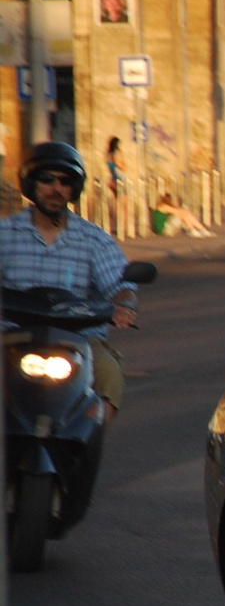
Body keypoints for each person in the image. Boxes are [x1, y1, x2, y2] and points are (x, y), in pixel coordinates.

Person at [0, 142, 139, 415]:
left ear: (74, 189)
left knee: (109, 375)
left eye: (65, 182)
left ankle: (85, 451)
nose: (56, 188)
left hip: (79, 342)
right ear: (30, 183)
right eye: (47, 179)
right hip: (13, 337)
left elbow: (123, 284)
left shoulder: (94, 240)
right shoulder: (6, 234)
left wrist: (125, 306)